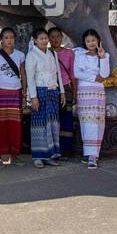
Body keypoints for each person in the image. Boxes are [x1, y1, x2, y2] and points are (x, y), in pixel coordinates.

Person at [71, 28, 110, 169]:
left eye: (93, 40)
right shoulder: (79, 55)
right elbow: (76, 73)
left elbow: (105, 75)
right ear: (84, 42)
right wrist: (94, 77)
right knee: (87, 123)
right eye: (88, 41)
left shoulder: (104, 55)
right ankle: (89, 155)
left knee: (98, 123)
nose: (91, 43)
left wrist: (102, 57)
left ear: (98, 40)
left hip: (98, 92)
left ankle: (94, 155)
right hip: (84, 92)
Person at [0, 27, 25, 166]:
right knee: (1, 125)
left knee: (16, 125)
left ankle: (15, 155)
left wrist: (25, 92)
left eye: (11, 37)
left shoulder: (20, 55)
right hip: (1, 93)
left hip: (16, 92)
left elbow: (23, 75)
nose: (9, 40)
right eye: (6, 38)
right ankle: (0, 155)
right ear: (1, 40)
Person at [25, 27, 63, 168]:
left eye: (45, 38)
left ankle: (51, 155)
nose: (44, 41)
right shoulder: (32, 55)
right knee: (39, 124)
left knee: (52, 124)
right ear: (35, 40)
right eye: (41, 38)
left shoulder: (52, 53)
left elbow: (57, 74)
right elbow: (30, 77)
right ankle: (38, 157)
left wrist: (62, 92)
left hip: (53, 92)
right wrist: (33, 97)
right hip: (39, 92)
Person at [48, 27, 75, 157]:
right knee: (54, 119)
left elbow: (73, 74)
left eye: (58, 36)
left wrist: (75, 92)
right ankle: (55, 148)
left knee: (66, 118)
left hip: (66, 87)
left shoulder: (69, 53)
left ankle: (67, 148)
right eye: (52, 37)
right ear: (48, 39)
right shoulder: (45, 53)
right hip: (52, 89)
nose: (55, 39)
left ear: (62, 38)